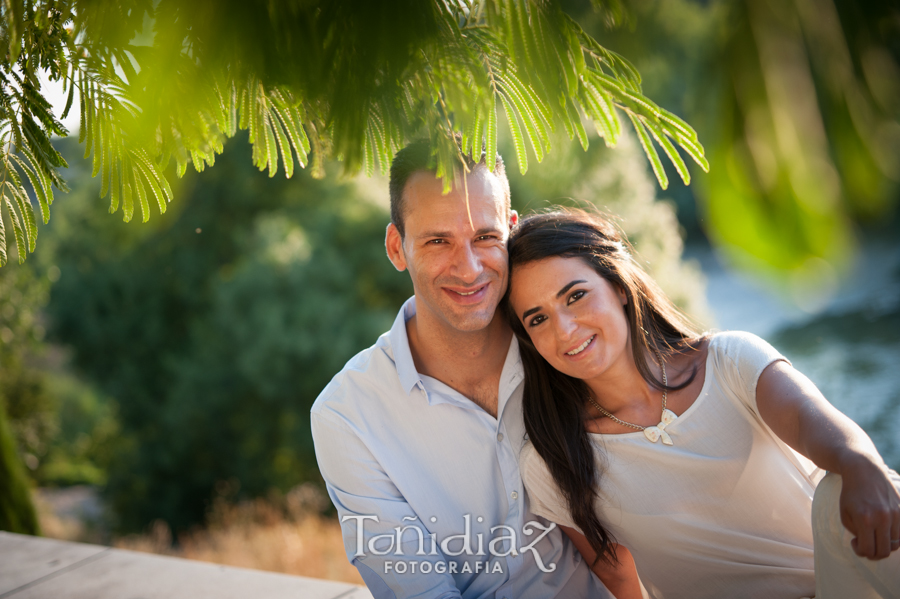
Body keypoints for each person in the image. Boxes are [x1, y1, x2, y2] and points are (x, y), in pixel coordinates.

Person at [504, 208, 900, 599]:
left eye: (575, 296)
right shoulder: (553, 461)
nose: (565, 330)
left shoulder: (729, 361)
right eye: (538, 319)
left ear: (619, 287)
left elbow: (807, 419)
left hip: (842, 583)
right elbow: (619, 577)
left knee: (843, 484)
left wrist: (859, 463)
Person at [310, 142, 614, 598]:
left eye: (485, 238)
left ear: (511, 233)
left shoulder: (567, 348)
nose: (469, 268)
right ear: (398, 248)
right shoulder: (349, 416)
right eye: (438, 241)